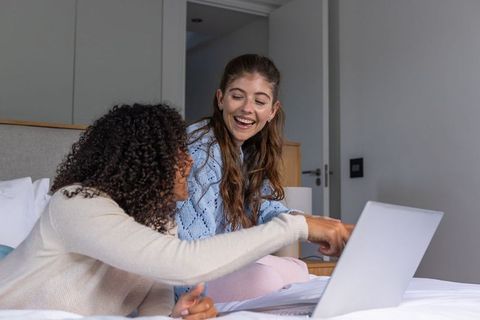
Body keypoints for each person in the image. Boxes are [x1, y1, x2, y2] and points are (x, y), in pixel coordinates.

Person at [0, 104, 350, 318]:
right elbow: (182, 263)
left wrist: (176, 314)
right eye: (179, 152)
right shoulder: (76, 202)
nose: (191, 160)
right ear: (146, 161)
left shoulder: (157, 219)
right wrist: (295, 225)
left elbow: (154, 296)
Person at [176, 54, 352, 301]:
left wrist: (316, 225)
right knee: (266, 279)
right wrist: (190, 302)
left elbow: (265, 207)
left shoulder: (246, 149)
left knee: (298, 269)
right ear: (220, 100)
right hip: (189, 276)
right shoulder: (201, 149)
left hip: (222, 263)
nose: (247, 108)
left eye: (259, 101)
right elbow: (190, 254)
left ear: (272, 111)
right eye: (237, 96)